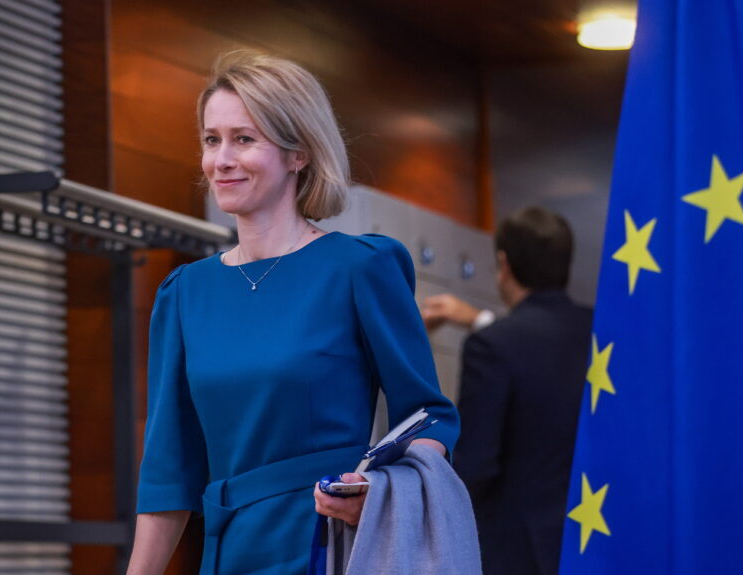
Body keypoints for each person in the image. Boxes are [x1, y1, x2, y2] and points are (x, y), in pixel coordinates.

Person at [126, 50, 459, 575]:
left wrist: (380, 488)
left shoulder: (360, 268)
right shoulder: (184, 293)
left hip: (329, 544)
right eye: (212, 140)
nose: (221, 159)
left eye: (244, 139)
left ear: (298, 153)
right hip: (229, 551)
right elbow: (169, 471)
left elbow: (429, 417)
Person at [423, 207, 592, 575]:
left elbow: (477, 462)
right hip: (596, 534)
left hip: (518, 549)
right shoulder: (602, 331)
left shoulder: (493, 345)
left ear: (504, 263)